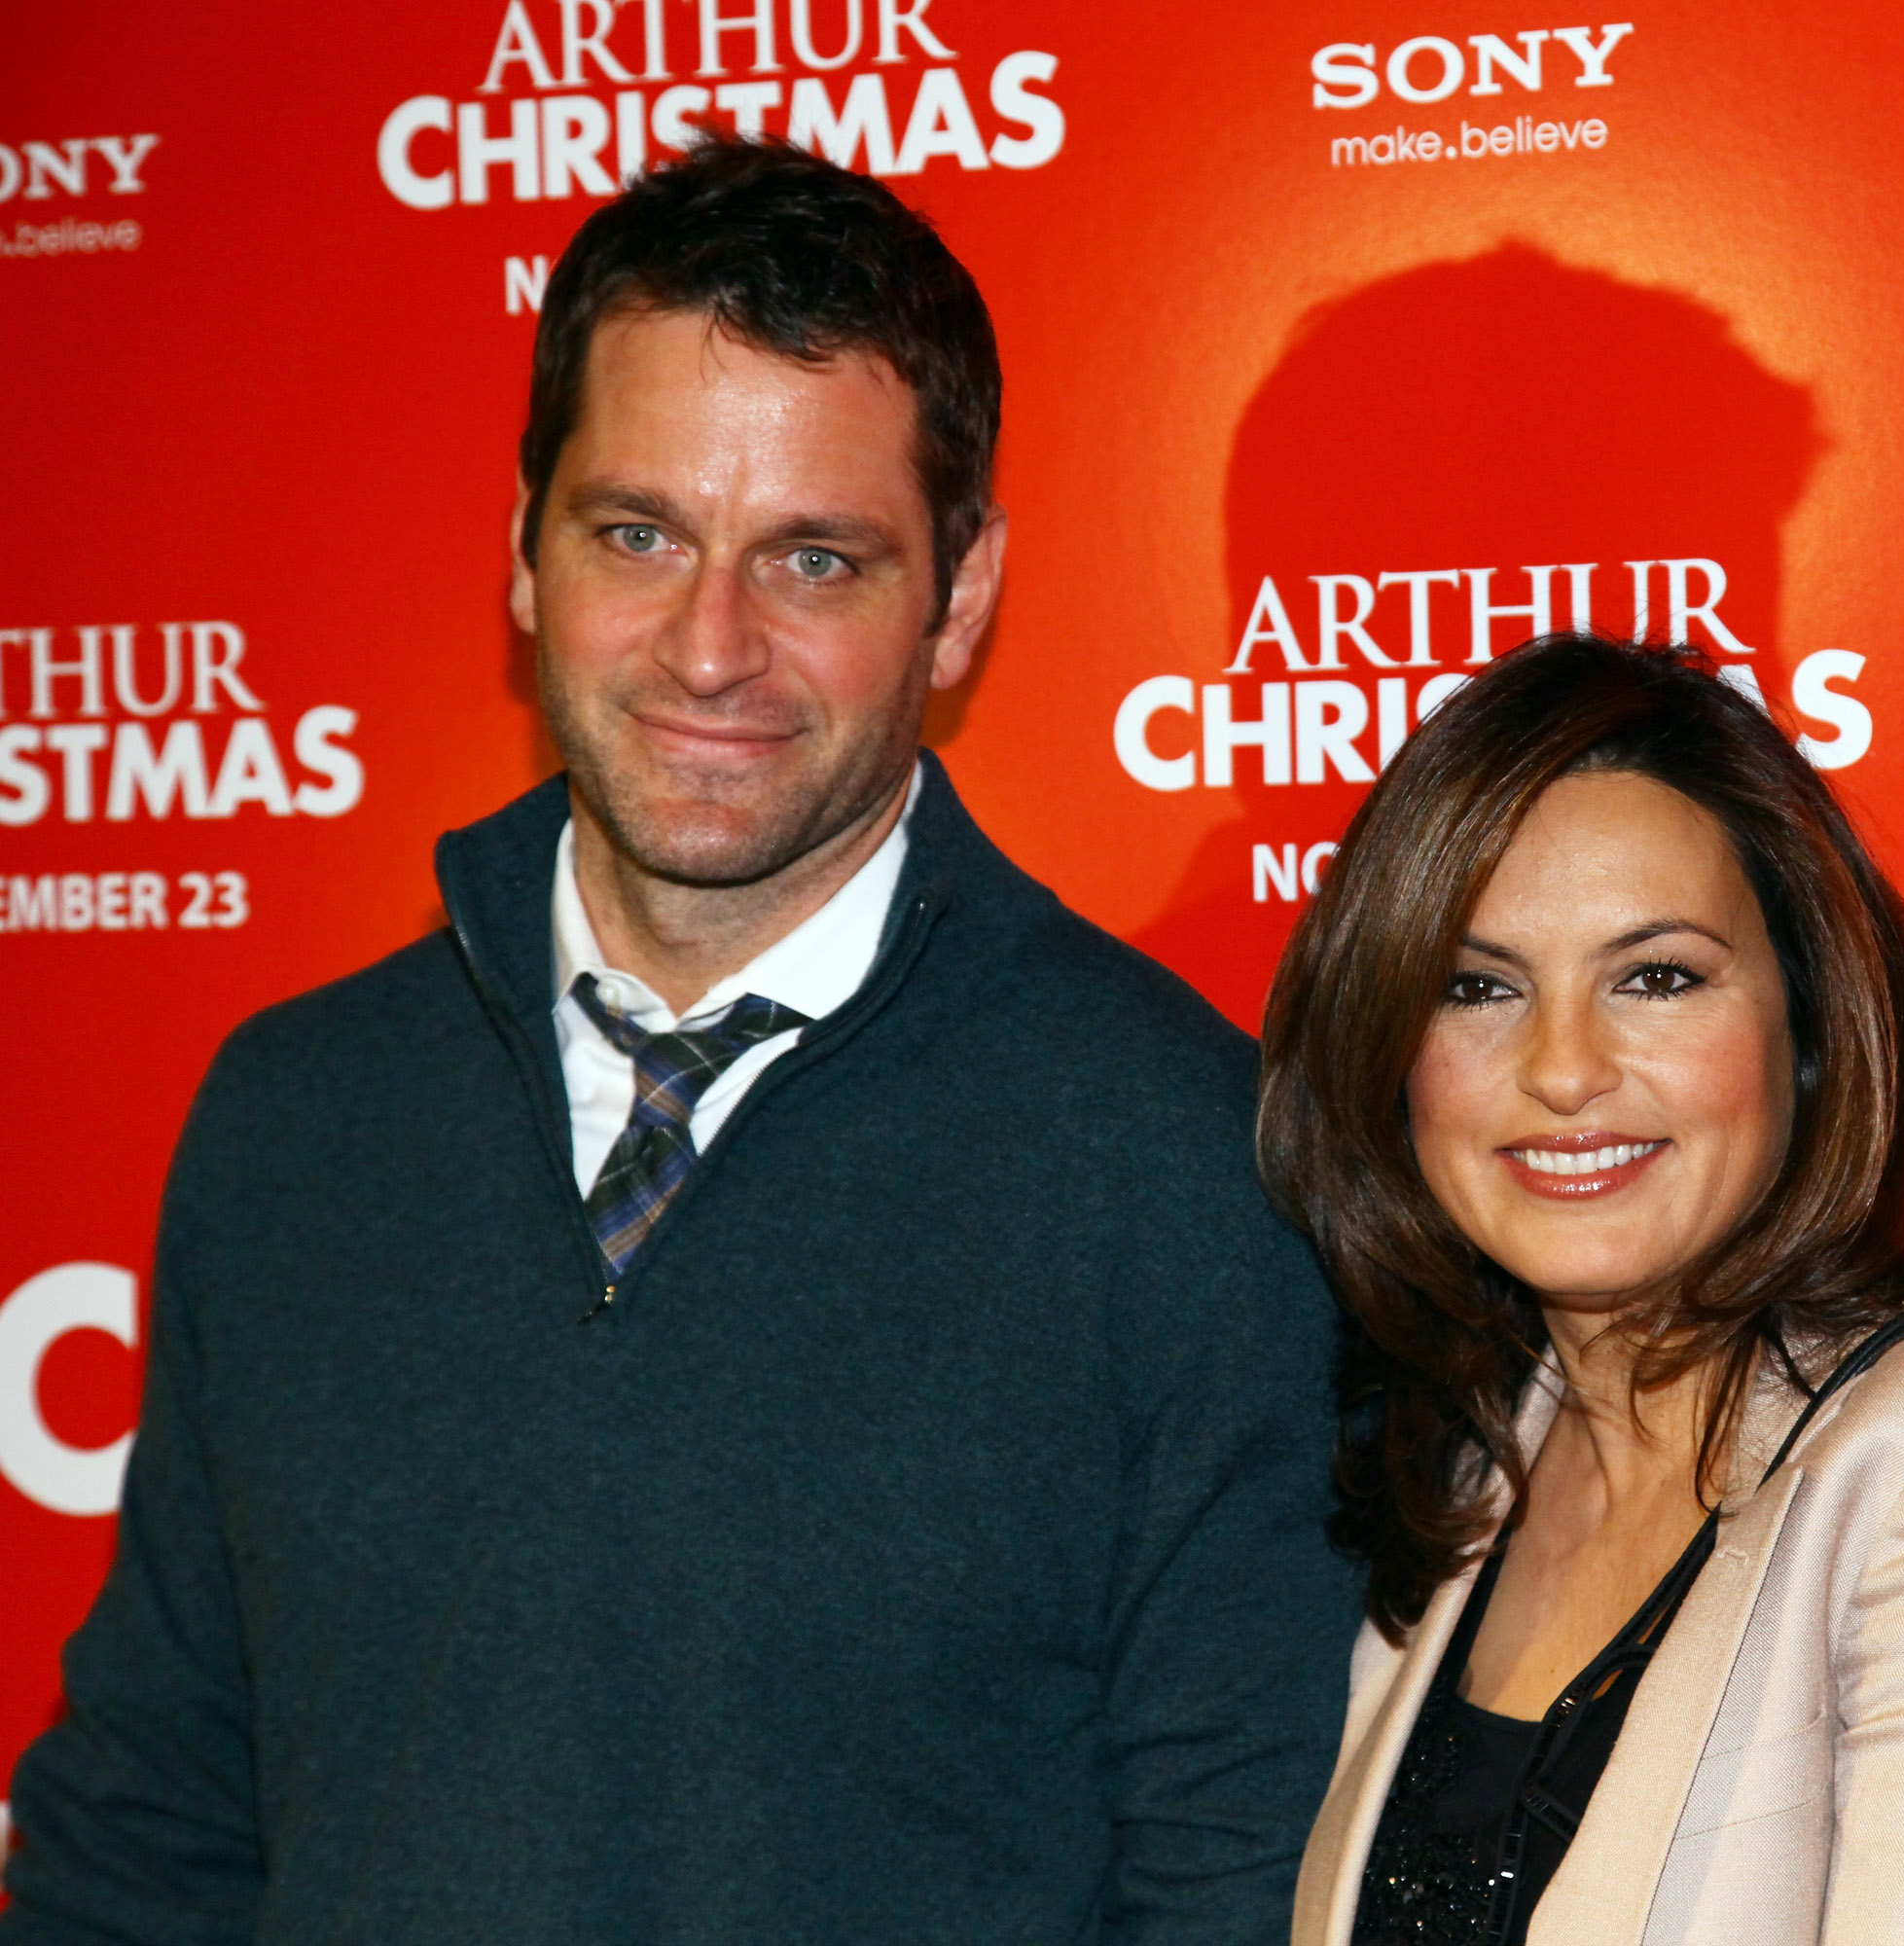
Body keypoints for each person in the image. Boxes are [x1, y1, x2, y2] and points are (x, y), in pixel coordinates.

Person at [0, 140, 1354, 1946]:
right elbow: (145, 1839)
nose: (711, 648)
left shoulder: (1191, 1163)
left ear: (957, 598)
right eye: (638, 534)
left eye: (815, 557)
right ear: (523, 551)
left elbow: (1230, 1889)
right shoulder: (296, 1116)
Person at [1260, 636, 1904, 1945]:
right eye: (1477, 988)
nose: (1565, 1070)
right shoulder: (1460, 1468)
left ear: (1804, 1028)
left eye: (1656, 977)